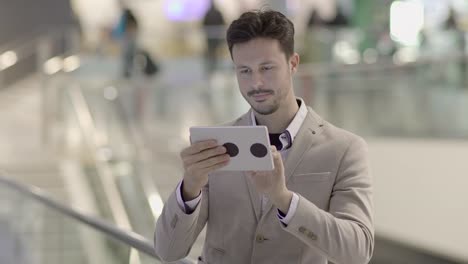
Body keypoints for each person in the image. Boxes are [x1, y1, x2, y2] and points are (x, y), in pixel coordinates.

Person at [155, 9, 374, 264]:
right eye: (244, 71)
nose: (255, 83)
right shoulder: (216, 146)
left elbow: (357, 251)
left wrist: (284, 199)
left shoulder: (344, 149)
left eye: (266, 68)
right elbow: (167, 251)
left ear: (293, 64)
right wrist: (189, 187)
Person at [202, 2, 226, 75]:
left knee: (213, 52)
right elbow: (223, 22)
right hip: (215, 37)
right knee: (215, 52)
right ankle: (214, 67)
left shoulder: (208, 13)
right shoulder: (216, 12)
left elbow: (204, 24)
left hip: (212, 37)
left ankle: (213, 67)